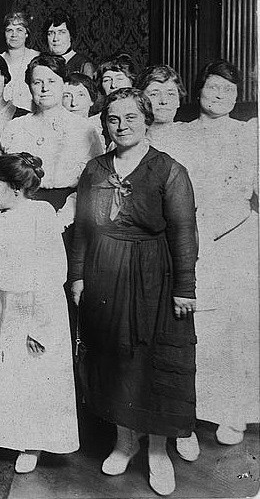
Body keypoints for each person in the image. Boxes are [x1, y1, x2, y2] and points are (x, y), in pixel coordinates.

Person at [70, 88, 197, 497]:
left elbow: (182, 232)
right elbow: (84, 230)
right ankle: (124, 442)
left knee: (152, 362)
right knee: (114, 359)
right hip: (104, 272)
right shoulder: (94, 169)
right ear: (104, 123)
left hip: (152, 276)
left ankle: (157, 451)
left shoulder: (168, 170)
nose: (121, 126)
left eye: (131, 118)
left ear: (146, 121)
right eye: (113, 119)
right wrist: (78, 276)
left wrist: (184, 287)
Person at [0, 153, 79, 473]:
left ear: (16, 189)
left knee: (28, 378)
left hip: (30, 309)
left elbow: (52, 273)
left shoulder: (40, 216)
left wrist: (39, 328)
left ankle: (32, 445)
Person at [176, 60, 258, 453]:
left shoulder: (250, 135)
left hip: (237, 237)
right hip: (193, 237)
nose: (220, 96)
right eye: (212, 88)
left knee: (236, 326)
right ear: (198, 92)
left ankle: (234, 412)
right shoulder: (181, 134)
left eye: (228, 90)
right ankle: (194, 410)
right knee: (198, 325)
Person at [0, 54, 104, 229]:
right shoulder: (14, 128)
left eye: (52, 81)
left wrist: (61, 221)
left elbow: (94, 183)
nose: (44, 88)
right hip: (20, 214)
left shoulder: (84, 129)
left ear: (64, 84)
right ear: (29, 87)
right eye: (37, 82)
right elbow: (1, 180)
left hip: (67, 214)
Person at [136, 65, 187, 155]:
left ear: (178, 101)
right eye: (154, 94)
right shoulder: (128, 141)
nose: (164, 101)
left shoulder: (191, 137)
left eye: (171, 94)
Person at [0, 12, 39, 111]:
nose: (14, 35)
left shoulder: (37, 58)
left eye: (19, 30)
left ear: (26, 34)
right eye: (9, 30)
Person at [42, 10, 96, 78]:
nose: (55, 38)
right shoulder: (41, 63)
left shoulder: (84, 65)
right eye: (51, 33)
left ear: (71, 35)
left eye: (61, 32)